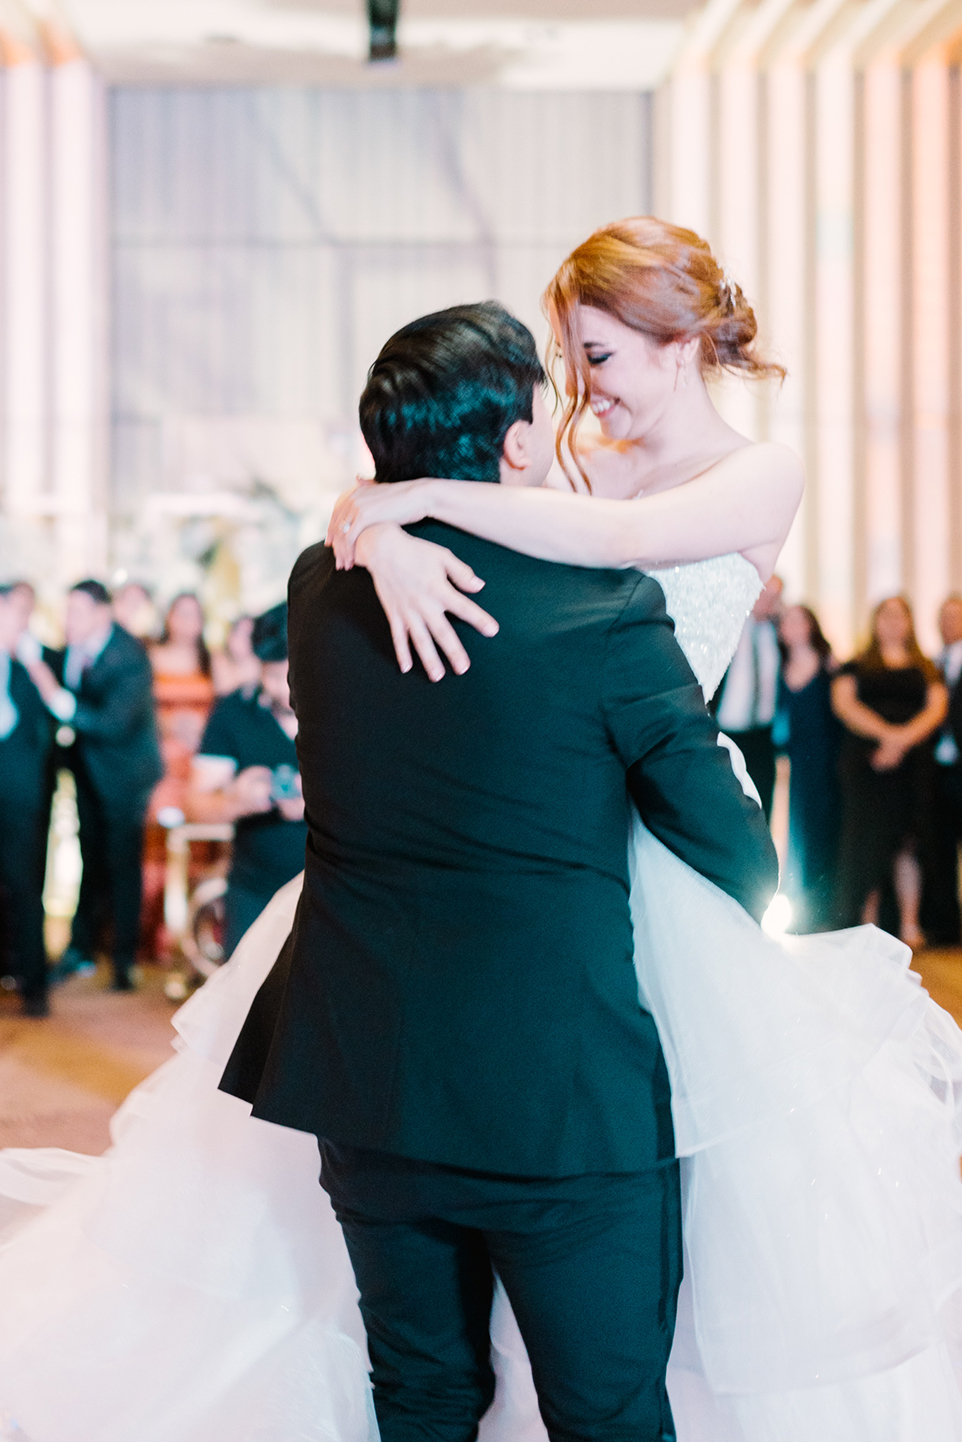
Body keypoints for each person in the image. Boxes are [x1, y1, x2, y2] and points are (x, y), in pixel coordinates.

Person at [1, 222, 962, 1441]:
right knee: (554, 1243)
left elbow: (606, 554)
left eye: (599, 354)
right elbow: (475, 529)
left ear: (682, 343)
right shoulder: (558, 464)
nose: (581, 390)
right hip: (537, 850)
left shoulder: (754, 473)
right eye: (565, 360)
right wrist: (380, 530)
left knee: (698, 1245)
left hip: (648, 860)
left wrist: (393, 506)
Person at [222, 301, 777, 1441]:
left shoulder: (321, 595)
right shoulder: (604, 607)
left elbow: (353, 542)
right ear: (517, 444)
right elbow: (727, 847)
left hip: (364, 1076)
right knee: (605, 1411)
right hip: (554, 1098)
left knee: (420, 1395)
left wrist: (373, 528)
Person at [28, 580, 163, 991]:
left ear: (103, 613)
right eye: (66, 612)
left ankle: (124, 960)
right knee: (87, 857)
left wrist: (54, 696)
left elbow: (112, 724)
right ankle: (80, 949)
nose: (68, 621)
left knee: (122, 865)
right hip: (85, 772)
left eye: (77, 612)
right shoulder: (69, 646)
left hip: (125, 776)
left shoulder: (131, 655)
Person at [186, 603, 306, 958]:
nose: (284, 692)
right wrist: (237, 800)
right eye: (272, 677)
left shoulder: (348, 709)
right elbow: (194, 803)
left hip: (333, 891)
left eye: (293, 677)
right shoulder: (233, 711)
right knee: (245, 1008)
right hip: (254, 890)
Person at [832, 595, 947, 946]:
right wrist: (887, 736)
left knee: (908, 844)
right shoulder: (855, 665)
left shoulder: (926, 668)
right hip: (868, 765)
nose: (893, 622)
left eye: (900, 616)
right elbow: (845, 704)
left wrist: (901, 741)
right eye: (887, 616)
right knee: (867, 844)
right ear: (875, 621)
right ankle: (867, 925)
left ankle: (909, 924)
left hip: (911, 769)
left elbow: (935, 708)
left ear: (910, 622)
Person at [141, 593, 216, 960]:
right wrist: (169, 726)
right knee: (158, 844)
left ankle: (190, 935)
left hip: (199, 766)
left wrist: (204, 731)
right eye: (181, 613)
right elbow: (138, 709)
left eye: (195, 614)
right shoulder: (151, 657)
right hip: (161, 762)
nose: (188, 622)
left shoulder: (211, 661)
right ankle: (153, 935)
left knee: (198, 845)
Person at [0, 585, 51, 1016]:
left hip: (18, 798)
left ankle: (34, 985)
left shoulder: (28, 672)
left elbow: (52, 720)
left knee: (24, 885)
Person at [776, 603, 841, 931]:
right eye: (787, 621)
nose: (793, 627)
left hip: (828, 759)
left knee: (826, 828)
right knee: (799, 831)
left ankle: (827, 908)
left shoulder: (830, 663)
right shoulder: (778, 665)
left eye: (799, 620)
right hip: (798, 761)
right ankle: (803, 909)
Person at [710, 576, 783, 818]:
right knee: (725, 811)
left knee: (762, 810)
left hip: (763, 736)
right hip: (724, 734)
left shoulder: (779, 630)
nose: (769, 600)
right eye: (765, 593)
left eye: (775, 596)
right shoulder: (725, 627)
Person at [921, 595, 962, 944]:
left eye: (955, 616)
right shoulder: (931, 664)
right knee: (940, 849)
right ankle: (947, 925)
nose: (949, 623)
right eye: (944, 617)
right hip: (936, 769)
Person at [212, 614, 262, 696]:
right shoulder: (218, 658)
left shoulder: (263, 662)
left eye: (249, 635)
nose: (244, 641)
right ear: (229, 636)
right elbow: (223, 689)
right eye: (239, 633)